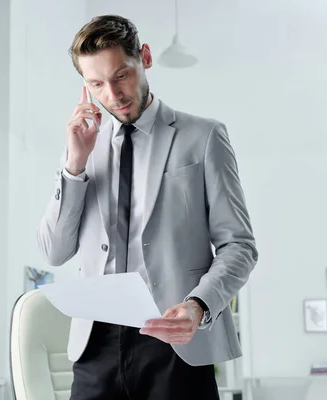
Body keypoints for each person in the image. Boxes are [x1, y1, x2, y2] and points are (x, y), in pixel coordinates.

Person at [37, 14, 258, 400]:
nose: (113, 95)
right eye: (96, 84)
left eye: (121, 75)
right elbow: (55, 251)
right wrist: (73, 165)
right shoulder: (82, 147)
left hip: (175, 343)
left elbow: (239, 246)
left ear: (146, 57)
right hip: (96, 344)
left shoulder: (203, 137)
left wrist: (199, 306)